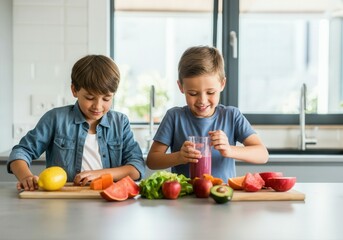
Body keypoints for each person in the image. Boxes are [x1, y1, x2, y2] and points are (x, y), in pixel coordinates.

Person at [7, 55, 145, 191]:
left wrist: (101, 174)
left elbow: (137, 168)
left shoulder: (120, 122)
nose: (98, 106)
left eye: (106, 98)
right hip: (65, 199)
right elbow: (21, 152)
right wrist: (26, 176)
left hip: (109, 201)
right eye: (90, 97)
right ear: (74, 90)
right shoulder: (55, 118)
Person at [146, 46, 269, 181]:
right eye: (193, 93)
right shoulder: (174, 117)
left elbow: (262, 154)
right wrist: (179, 157)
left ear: (222, 84)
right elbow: (152, 161)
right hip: (185, 198)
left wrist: (230, 150)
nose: (202, 101)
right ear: (181, 87)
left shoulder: (231, 116)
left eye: (210, 92)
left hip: (221, 196)